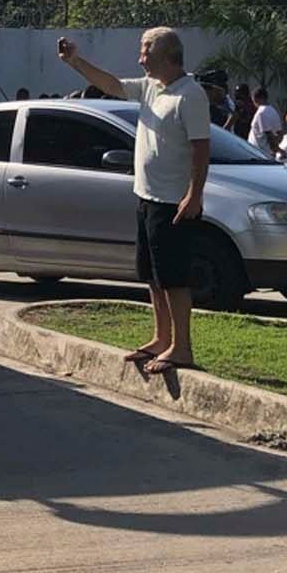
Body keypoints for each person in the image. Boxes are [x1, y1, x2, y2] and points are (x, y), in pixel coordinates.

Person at [56, 28, 210, 374]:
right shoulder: (151, 87)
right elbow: (111, 85)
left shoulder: (190, 95)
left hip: (173, 203)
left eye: (146, 53)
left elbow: (201, 149)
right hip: (147, 197)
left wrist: (194, 195)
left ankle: (182, 347)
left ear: (168, 56)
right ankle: (161, 337)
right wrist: (75, 62)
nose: (140, 60)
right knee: (152, 275)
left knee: (173, 277)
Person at [250, 88, 282, 156]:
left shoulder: (261, 112)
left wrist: (277, 149)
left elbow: (268, 134)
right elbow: (279, 134)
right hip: (268, 153)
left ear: (257, 99)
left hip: (259, 153)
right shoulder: (273, 111)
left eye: (253, 101)